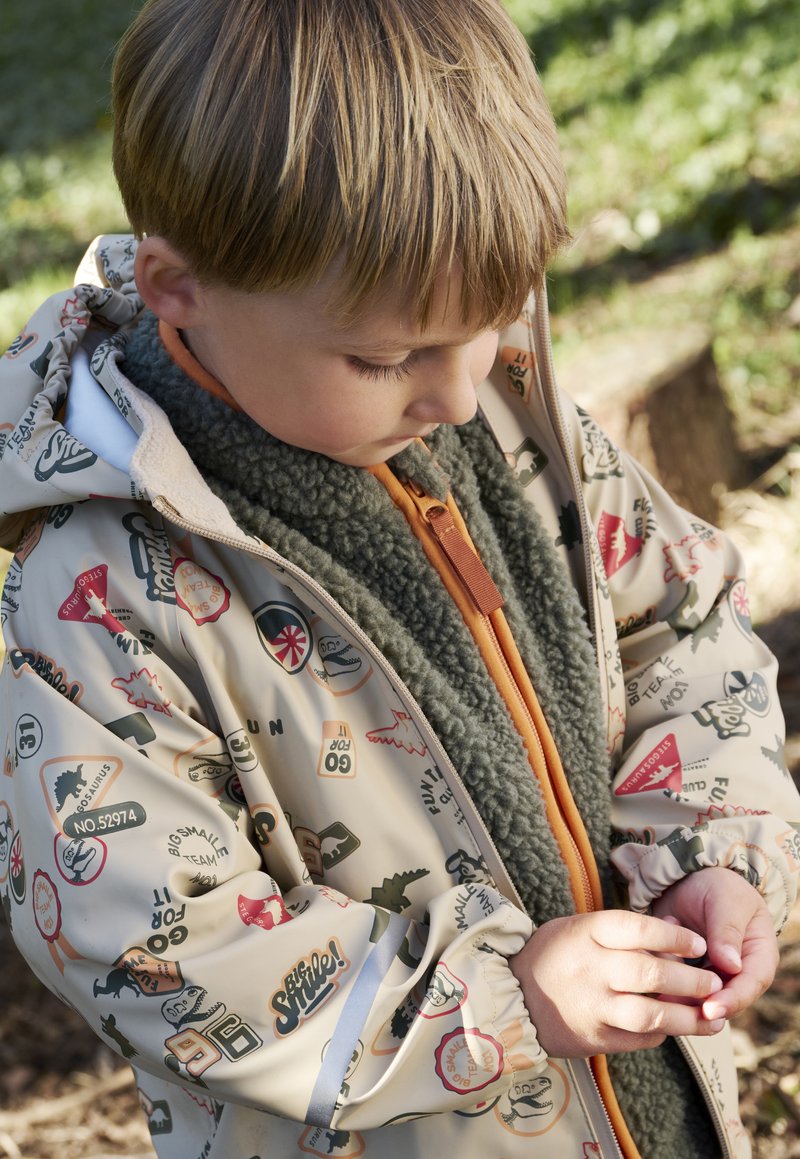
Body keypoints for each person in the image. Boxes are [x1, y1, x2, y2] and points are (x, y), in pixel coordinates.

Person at [0, 1, 797, 1156]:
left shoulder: (501, 421)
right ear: (178, 289)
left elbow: (683, 627)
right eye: (385, 357)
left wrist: (705, 853)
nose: (456, 395)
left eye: (485, 324)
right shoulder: (102, 597)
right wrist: (507, 1003)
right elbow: (153, 949)